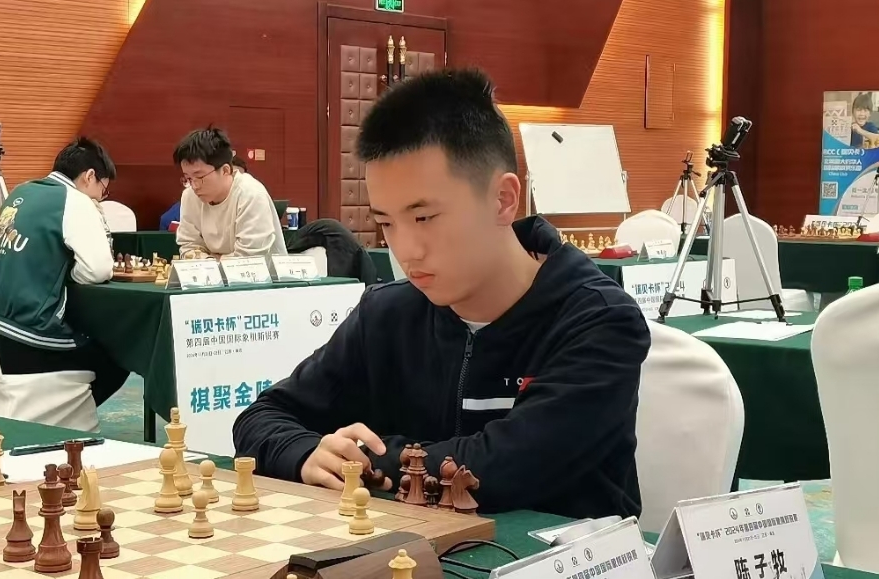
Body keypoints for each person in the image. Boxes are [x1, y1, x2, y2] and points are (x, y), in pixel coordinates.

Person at [232, 68, 650, 519]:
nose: (406, 249)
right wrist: (307, 452)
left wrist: (366, 460)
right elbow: (260, 418)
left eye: (424, 218)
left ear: (503, 200)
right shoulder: (387, 314)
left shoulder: (600, 320)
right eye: (386, 222)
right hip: (408, 549)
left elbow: (502, 468)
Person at [0, 137, 130, 406]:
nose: (100, 198)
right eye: (103, 190)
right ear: (90, 176)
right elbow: (99, 270)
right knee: (120, 356)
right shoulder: (75, 200)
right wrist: (69, 274)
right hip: (27, 339)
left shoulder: (20, 192)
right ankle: (65, 415)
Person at [174, 128, 287, 259]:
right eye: (188, 178)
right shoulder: (189, 196)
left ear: (225, 170)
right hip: (211, 272)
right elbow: (189, 247)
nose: (194, 186)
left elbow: (248, 259)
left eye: (199, 177)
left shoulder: (251, 195)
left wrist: (210, 259)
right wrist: (214, 260)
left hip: (265, 272)